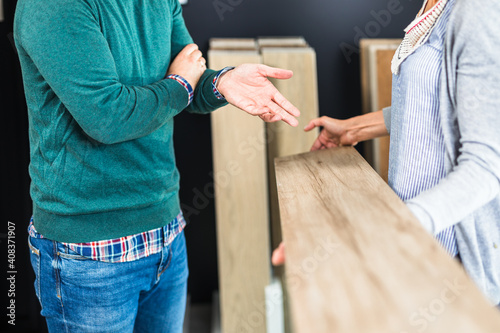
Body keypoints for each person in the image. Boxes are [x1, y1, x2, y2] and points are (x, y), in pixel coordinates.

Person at [14, 0, 300, 331]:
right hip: (90, 251)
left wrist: (221, 82)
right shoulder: (51, 6)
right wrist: (180, 83)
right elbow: (108, 116)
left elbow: (189, 81)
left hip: (166, 233)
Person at [273, 0, 500, 306]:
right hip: (414, 236)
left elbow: (485, 169)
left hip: (451, 258)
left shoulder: (478, 9)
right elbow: (439, 107)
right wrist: (354, 128)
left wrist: (389, 227)